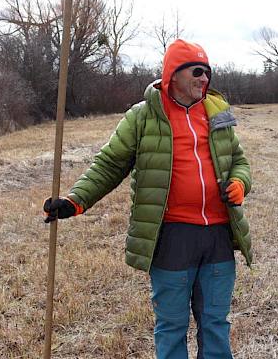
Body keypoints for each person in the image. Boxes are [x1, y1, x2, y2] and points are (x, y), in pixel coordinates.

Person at [43, 39, 252, 359]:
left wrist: (239, 182)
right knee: (171, 325)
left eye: (208, 72)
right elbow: (110, 165)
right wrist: (76, 201)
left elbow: (238, 159)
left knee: (215, 323)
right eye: (197, 71)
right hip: (172, 236)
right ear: (174, 75)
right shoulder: (142, 117)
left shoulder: (217, 111)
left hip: (219, 236)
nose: (204, 79)